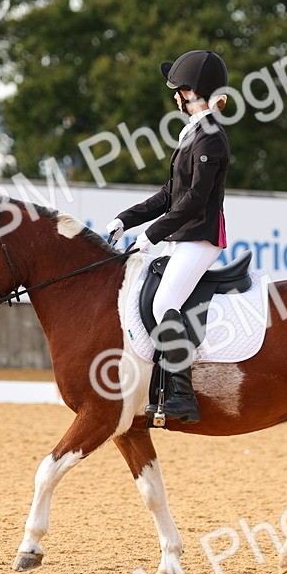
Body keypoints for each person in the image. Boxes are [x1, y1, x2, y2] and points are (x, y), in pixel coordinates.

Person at [106, 49, 231, 426]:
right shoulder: (192, 135)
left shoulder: (211, 137)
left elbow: (194, 200)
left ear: (190, 91)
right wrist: (124, 221)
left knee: (164, 303)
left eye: (177, 89)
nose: (174, 97)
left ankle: (182, 396)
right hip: (183, 237)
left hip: (201, 237)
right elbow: (169, 194)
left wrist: (152, 235)